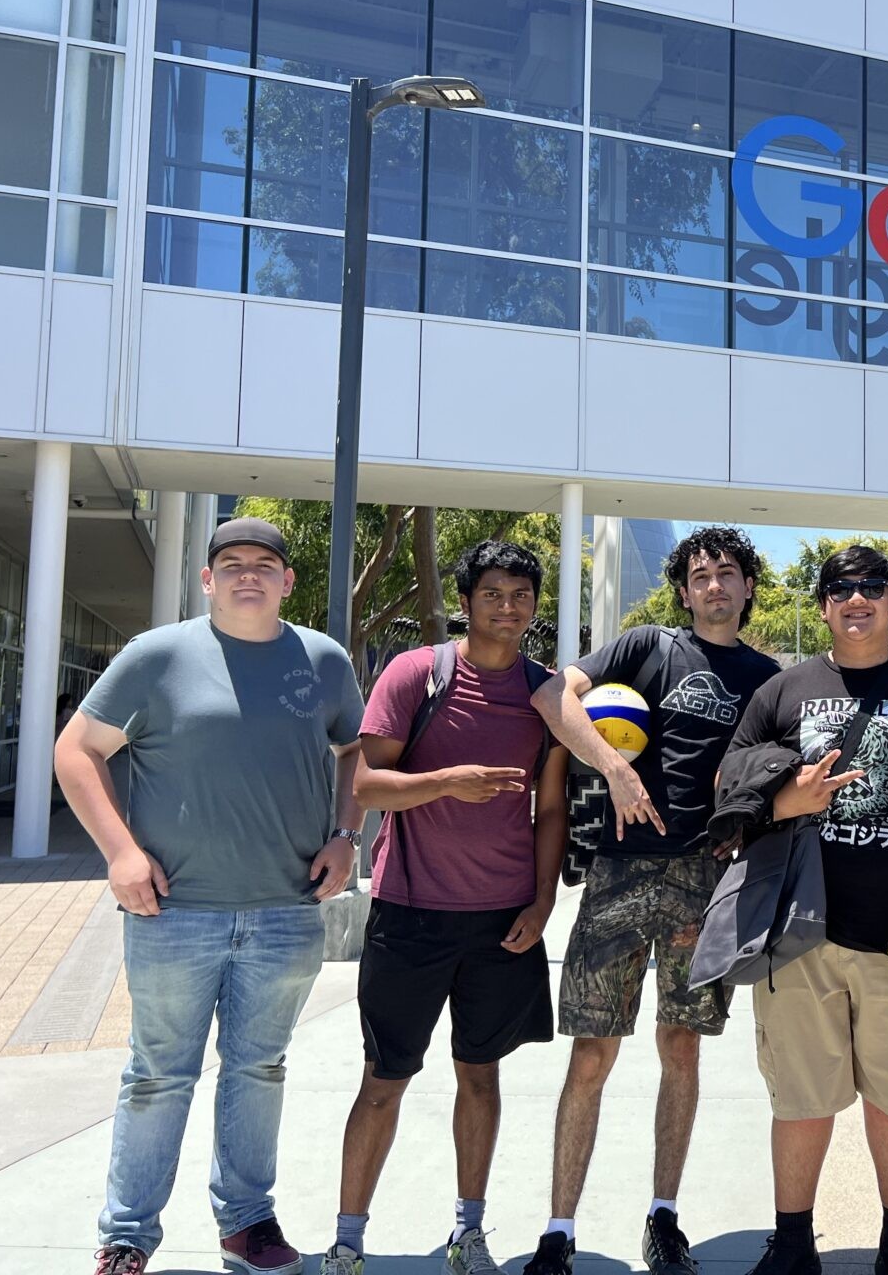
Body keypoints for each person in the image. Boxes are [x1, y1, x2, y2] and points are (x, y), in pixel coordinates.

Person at [53, 517, 365, 1275]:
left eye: (264, 564)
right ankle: (127, 1234)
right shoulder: (157, 656)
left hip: (285, 909)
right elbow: (77, 750)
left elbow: (355, 747)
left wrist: (345, 835)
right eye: (231, 564)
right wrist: (121, 852)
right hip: (173, 912)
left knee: (260, 1069)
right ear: (207, 579)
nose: (247, 575)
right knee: (159, 1073)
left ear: (288, 581)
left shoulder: (322, 661)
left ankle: (247, 1223)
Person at [519, 527, 780, 1275]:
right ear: (685, 589)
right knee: (592, 1055)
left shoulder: (766, 677)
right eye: (700, 575)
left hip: (705, 884)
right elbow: (551, 695)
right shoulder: (644, 647)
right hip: (618, 876)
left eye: (728, 573)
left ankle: (664, 1220)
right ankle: (558, 1231)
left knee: (681, 1050)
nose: (715, 585)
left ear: (748, 586)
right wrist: (612, 768)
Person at [724, 545, 888, 1275]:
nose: (858, 598)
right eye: (841, 589)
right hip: (799, 936)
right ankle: (794, 1243)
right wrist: (786, 800)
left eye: (874, 587)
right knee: (800, 1099)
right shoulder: (784, 691)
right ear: (823, 606)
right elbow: (731, 782)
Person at [322, 541, 567, 1275]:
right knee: (383, 1080)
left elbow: (550, 809)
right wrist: (446, 781)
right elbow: (365, 785)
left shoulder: (544, 691)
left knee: (481, 1076)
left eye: (522, 594)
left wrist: (545, 898)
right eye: (493, 592)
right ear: (466, 601)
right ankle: (347, 1242)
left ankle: (470, 1233)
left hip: (503, 920)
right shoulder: (415, 674)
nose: (509, 606)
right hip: (411, 911)